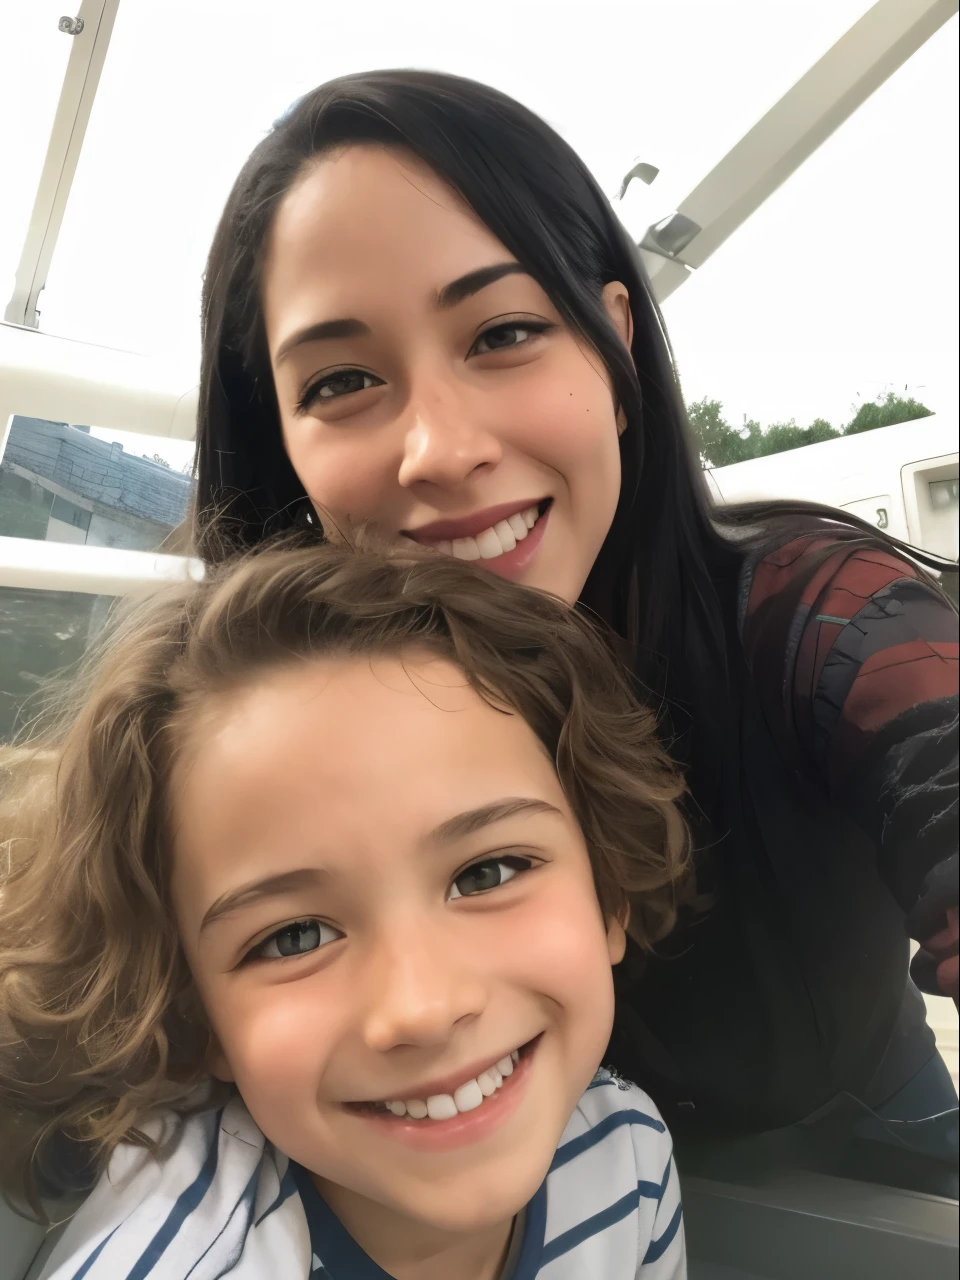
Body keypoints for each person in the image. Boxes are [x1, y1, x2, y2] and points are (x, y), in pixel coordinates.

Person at [190, 69, 959, 1154]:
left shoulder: (817, 618)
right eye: (342, 381)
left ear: (615, 342)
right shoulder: (258, 724)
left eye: (501, 334)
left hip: (873, 1188)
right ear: (280, 442)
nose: (442, 449)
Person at [0, 542, 689, 1279]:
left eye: (487, 873)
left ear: (608, 890)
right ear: (197, 1016)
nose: (423, 1008)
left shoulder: (629, 1156)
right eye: (295, 937)